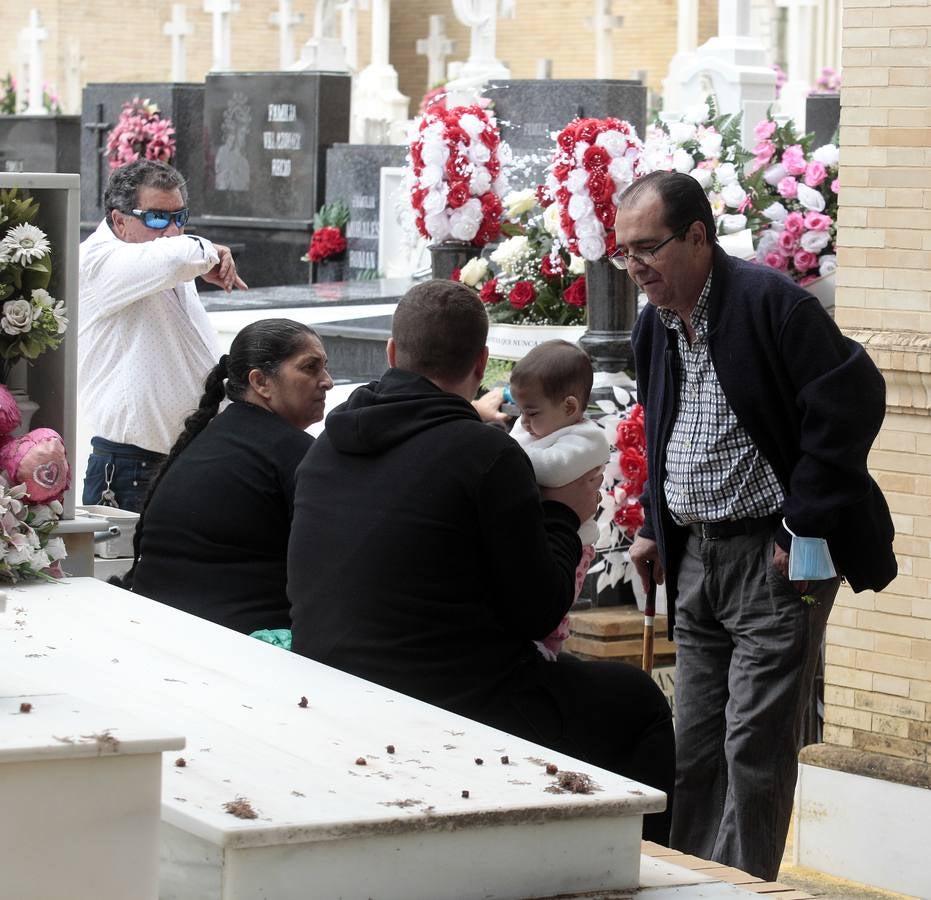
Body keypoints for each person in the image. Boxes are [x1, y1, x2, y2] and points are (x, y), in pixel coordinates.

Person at [288, 279, 675, 842]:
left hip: (328, 679)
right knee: (636, 701)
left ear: (393, 353)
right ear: (482, 365)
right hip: (448, 697)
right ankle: (630, 871)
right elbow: (539, 608)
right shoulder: (484, 454)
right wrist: (565, 514)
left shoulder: (329, 443)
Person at [613, 170, 896, 879]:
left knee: (754, 748)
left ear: (698, 237)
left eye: (647, 247)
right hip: (695, 557)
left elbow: (853, 399)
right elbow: (665, 431)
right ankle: (689, 882)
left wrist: (802, 523)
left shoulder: (772, 306)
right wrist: (652, 521)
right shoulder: (655, 322)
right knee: (697, 742)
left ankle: (741, 890)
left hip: (773, 560)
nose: (634, 267)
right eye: (623, 253)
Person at [127, 319, 333, 635]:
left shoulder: (206, 439)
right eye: (310, 368)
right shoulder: (294, 452)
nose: (327, 382)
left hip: (158, 626)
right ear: (261, 381)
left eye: (325, 367)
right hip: (239, 642)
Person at [79, 158, 247, 512]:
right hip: (130, 470)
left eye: (179, 218)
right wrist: (208, 253)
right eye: (156, 218)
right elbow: (173, 257)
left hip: (185, 461)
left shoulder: (166, 258)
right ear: (119, 221)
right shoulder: (100, 259)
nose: (171, 231)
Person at [508, 340, 610, 660]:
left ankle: (550, 644)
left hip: (576, 543)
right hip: (537, 533)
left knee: (560, 597)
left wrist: (506, 459)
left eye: (532, 412)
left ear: (569, 407)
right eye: (520, 411)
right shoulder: (533, 428)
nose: (523, 421)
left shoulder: (587, 438)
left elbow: (551, 471)